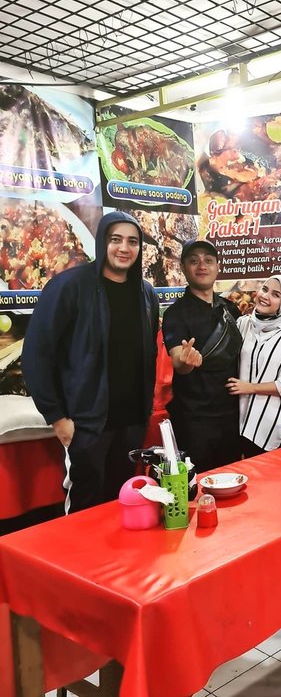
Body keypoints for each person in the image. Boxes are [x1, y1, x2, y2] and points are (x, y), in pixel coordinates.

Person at [22, 211, 159, 513]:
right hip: (87, 426)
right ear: (102, 243)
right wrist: (57, 417)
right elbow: (36, 355)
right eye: (116, 239)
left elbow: (147, 354)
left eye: (133, 242)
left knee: (121, 505)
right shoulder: (69, 287)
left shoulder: (146, 294)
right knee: (86, 510)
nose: (124, 248)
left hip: (131, 425)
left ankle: (119, 562)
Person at [162, 239, 242, 473]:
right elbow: (178, 361)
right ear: (184, 268)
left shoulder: (231, 309)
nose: (202, 266)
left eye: (208, 261)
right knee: (199, 489)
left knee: (233, 481)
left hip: (233, 416)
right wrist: (186, 361)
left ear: (218, 267)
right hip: (194, 421)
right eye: (193, 261)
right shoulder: (175, 314)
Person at [226, 275, 281, 457]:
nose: (266, 296)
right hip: (240, 419)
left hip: (273, 425)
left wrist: (250, 388)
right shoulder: (242, 323)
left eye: (276, 294)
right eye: (264, 289)